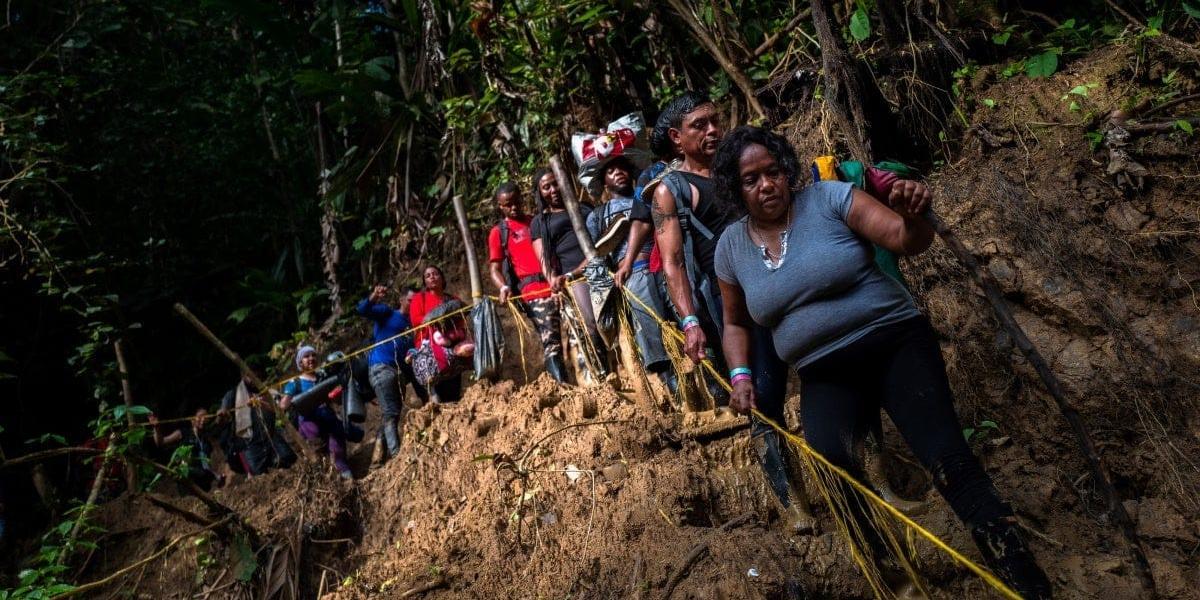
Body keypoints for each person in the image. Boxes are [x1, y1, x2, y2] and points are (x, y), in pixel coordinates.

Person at [711, 126, 1051, 598]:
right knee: (833, 466)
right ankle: (890, 574)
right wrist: (741, 375)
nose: (766, 185)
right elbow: (734, 323)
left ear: (788, 171)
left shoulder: (830, 198)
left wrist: (914, 216)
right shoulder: (730, 247)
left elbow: (903, 238)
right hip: (824, 372)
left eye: (772, 172)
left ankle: (1026, 581)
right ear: (734, 188)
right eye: (751, 179)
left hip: (894, 344)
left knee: (948, 460)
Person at [645, 91, 807, 529]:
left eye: (715, 121)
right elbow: (674, 262)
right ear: (677, 138)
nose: (714, 130)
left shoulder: (739, 167)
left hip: (783, 279)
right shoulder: (670, 191)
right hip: (733, 303)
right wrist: (691, 321)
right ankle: (790, 501)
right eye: (700, 125)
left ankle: (875, 481)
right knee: (761, 398)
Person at [584, 156, 676, 394]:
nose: (618, 173)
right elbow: (595, 255)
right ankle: (671, 382)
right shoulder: (597, 215)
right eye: (611, 171)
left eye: (622, 168)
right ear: (603, 182)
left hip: (665, 264)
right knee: (650, 326)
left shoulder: (649, 195)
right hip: (632, 274)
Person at [530, 168, 610, 380]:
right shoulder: (540, 222)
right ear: (539, 192)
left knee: (609, 323)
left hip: (598, 268)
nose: (553, 189)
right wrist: (553, 281)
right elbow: (544, 258)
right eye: (546, 186)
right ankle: (602, 374)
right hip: (573, 277)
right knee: (589, 325)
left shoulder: (583, 207)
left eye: (556, 183)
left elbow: (601, 237)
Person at [487, 181, 568, 382]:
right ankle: (564, 387)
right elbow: (494, 269)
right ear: (500, 206)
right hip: (532, 293)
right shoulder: (499, 232)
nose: (514, 207)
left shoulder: (536, 221)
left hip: (558, 285)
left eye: (516, 202)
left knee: (576, 334)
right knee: (551, 341)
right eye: (508, 204)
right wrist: (504, 286)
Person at [356, 285, 418, 462]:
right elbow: (362, 309)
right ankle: (397, 455)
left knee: (393, 412)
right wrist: (374, 296)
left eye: (416, 302)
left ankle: (378, 454)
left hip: (398, 371)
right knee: (391, 412)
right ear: (401, 300)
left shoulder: (412, 323)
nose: (413, 305)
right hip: (381, 368)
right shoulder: (387, 314)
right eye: (410, 301)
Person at [280, 346, 352, 480]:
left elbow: (336, 400)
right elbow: (283, 405)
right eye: (306, 357)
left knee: (338, 449)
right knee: (320, 455)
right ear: (300, 363)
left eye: (313, 355)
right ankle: (327, 482)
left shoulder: (323, 376)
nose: (311, 359)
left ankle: (347, 478)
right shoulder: (295, 383)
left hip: (328, 419)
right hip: (309, 424)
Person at [408, 265, 474, 403]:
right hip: (429, 345)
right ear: (425, 282)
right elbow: (416, 320)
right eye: (428, 275)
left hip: (452, 343)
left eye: (435, 274)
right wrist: (437, 319)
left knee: (453, 389)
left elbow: (461, 320)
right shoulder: (420, 298)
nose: (432, 277)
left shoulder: (453, 299)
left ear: (442, 278)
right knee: (438, 385)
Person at [219, 376, 296, 476]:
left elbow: (280, 407)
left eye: (255, 375)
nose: (252, 378)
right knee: (259, 474)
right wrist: (222, 414)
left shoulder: (265, 390)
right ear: (243, 377)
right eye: (249, 376)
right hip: (251, 442)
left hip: (271, 434)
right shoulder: (232, 395)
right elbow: (221, 418)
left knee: (288, 458)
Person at [149, 408, 222, 489]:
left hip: (204, 482)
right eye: (200, 416)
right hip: (187, 480)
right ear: (192, 420)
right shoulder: (182, 433)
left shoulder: (206, 441)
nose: (203, 419)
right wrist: (156, 427)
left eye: (206, 417)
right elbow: (161, 442)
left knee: (205, 476)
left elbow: (207, 464)